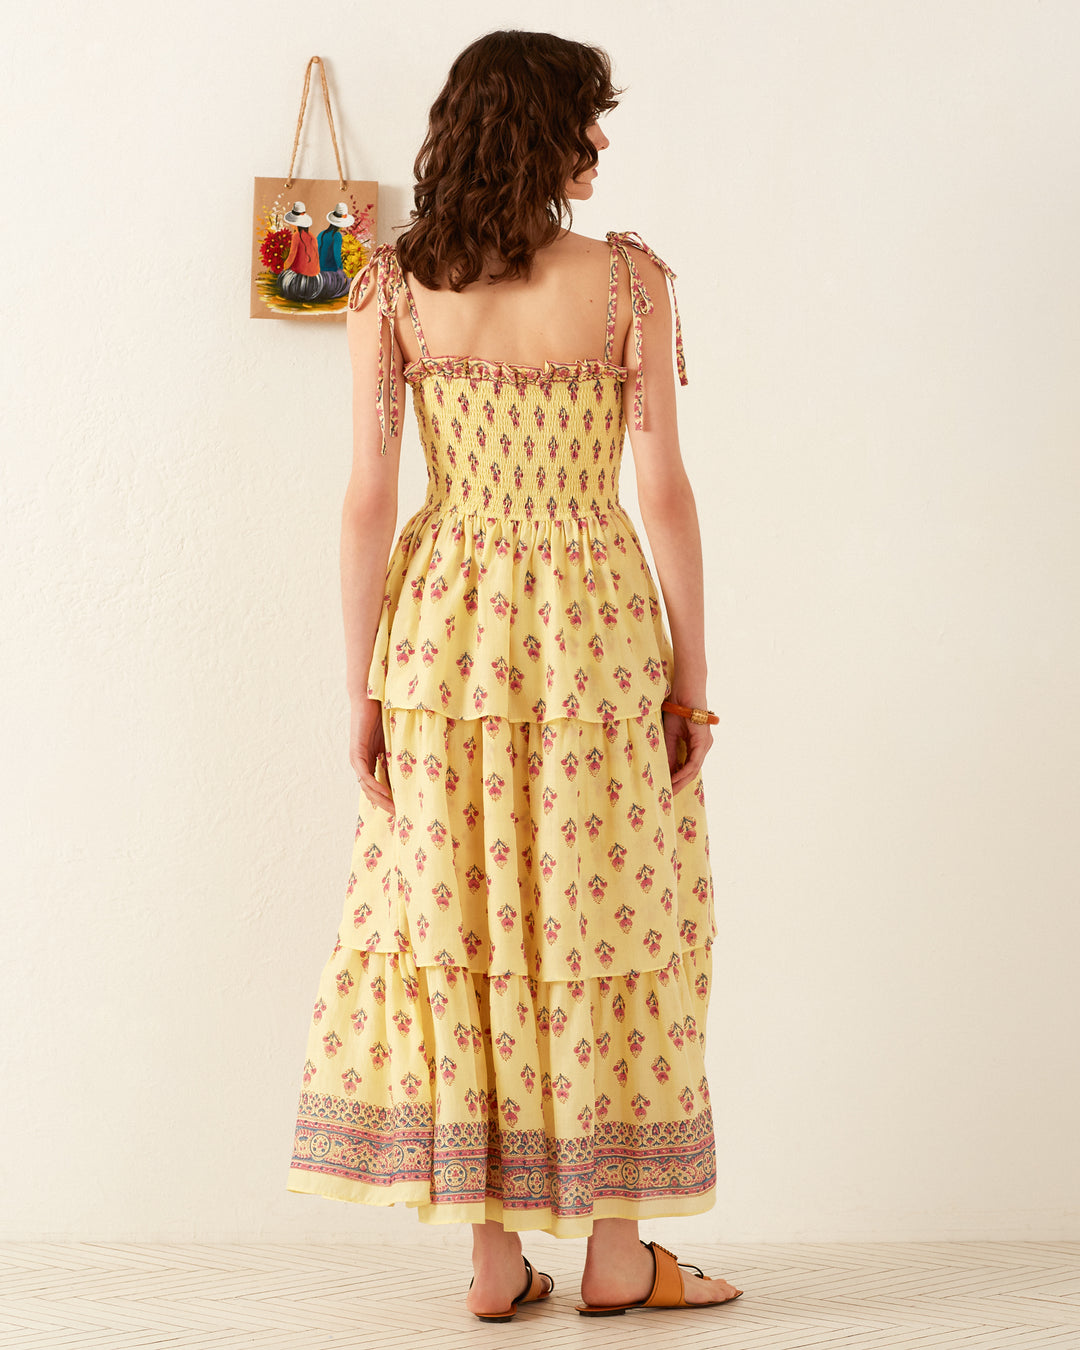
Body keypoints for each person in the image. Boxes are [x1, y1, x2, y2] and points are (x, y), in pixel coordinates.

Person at [286, 28, 744, 1321]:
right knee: (614, 917)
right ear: (541, 133)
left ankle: (493, 1257)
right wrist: (692, 677)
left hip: (442, 634)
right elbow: (662, 490)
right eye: (587, 123)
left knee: (468, 918)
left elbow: (368, 500)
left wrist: (363, 684)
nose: (601, 145)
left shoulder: (391, 290)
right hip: (592, 627)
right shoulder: (627, 288)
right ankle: (613, 1249)